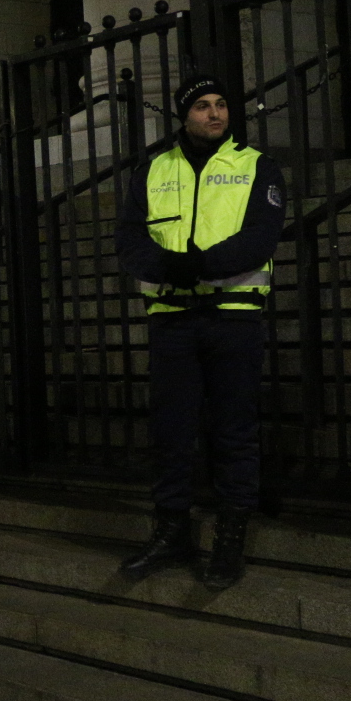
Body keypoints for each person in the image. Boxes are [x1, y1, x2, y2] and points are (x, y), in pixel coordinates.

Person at [114, 77, 286, 589]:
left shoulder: (257, 166)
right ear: (184, 115)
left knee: (234, 431)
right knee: (171, 432)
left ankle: (229, 540)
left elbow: (260, 237)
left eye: (221, 104)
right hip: (172, 319)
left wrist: (197, 266)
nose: (215, 114)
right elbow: (129, 237)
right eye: (202, 106)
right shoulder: (154, 168)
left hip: (233, 316)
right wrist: (172, 269)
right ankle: (171, 532)